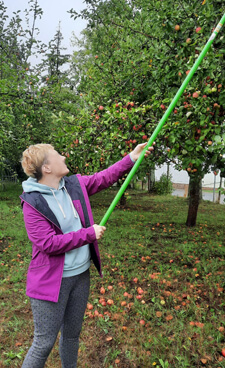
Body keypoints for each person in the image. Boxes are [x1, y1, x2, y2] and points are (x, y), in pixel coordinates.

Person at [20, 142, 153, 368]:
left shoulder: (73, 185)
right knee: (44, 343)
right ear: (47, 168)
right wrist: (87, 234)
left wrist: (132, 156)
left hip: (80, 276)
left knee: (72, 336)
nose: (63, 156)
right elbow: (48, 243)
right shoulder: (32, 202)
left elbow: (105, 177)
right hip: (51, 283)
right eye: (57, 155)